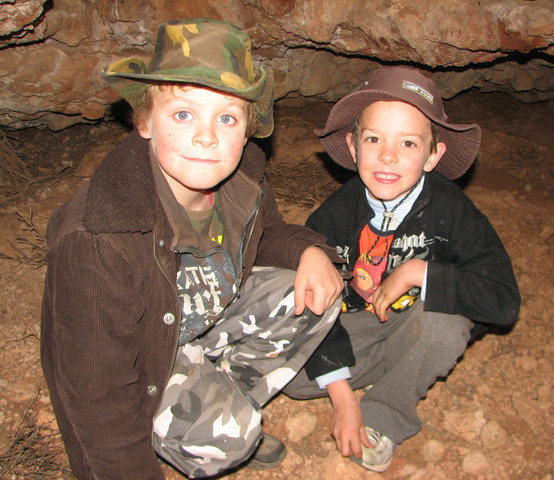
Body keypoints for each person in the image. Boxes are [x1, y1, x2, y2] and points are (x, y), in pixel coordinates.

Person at [40, 18, 344, 480]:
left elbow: (267, 237)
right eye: (184, 114)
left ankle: (217, 399)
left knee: (312, 292)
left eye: (226, 118)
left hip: (195, 325)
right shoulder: (101, 237)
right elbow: (96, 397)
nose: (208, 137)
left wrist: (309, 252)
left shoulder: (243, 184)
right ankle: (206, 425)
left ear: (247, 131)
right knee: (234, 436)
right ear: (144, 121)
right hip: (142, 364)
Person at [284, 66, 521, 472]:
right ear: (353, 146)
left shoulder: (453, 211)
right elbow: (312, 308)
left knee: (446, 327)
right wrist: (341, 398)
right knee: (290, 379)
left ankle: (386, 410)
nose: (388, 155)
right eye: (374, 139)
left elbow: (503, 302)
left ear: (433, 156)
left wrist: (417, 273)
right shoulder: (333, 216)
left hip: (418, 319)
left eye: (408, 143)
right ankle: (399, 363)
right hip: (351, 326)